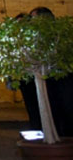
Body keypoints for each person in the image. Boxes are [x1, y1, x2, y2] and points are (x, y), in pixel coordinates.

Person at [27, 7, 73, 137]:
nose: (32, 22)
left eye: (34, 18)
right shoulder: (37, 36)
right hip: (48, 78)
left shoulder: (59, 34)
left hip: (63, 78)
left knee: (66, 108)